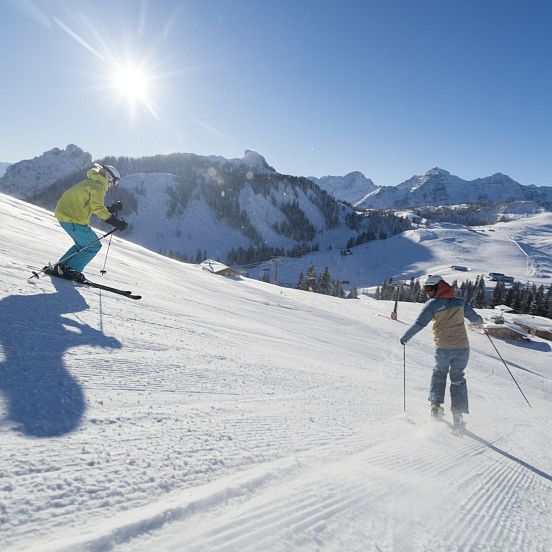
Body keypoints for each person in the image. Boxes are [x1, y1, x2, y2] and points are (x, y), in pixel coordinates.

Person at [399, 275, 483, 429]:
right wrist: (480, 321)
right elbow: (475, 319)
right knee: (458, 378)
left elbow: (419, 324)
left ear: (439, 287)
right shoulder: (460, 302)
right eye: (425, 289)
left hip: (443, 348)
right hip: (462, 349)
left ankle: (436, 407)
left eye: (429, 289)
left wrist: (405, 338)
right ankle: (458, 414)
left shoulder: (431, 305)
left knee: (439, 374)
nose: (427, 292)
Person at [46, 163, 128, 282]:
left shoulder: (92, 183)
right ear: (110, 178)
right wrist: (114, 222)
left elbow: (90, 205)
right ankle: (71, 270)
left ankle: (62, 266)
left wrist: (111, 209)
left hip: (68, 217)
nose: (113, 185)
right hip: (73, 219)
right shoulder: (98, 186)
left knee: (82, 245)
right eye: (115, 182)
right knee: (93, 245)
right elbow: (97, 208)